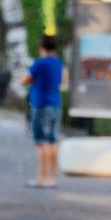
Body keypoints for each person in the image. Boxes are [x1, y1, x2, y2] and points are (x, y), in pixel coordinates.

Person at [22, 34, 63, 188]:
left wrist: (32, 79)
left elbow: (24, 79)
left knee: (41, 142)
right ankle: (52, 178)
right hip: (56, 105)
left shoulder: (39, 63)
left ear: (42, 47)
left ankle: (40, 178)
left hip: (41, 105)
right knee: (53, 142)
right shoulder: (58, 62)